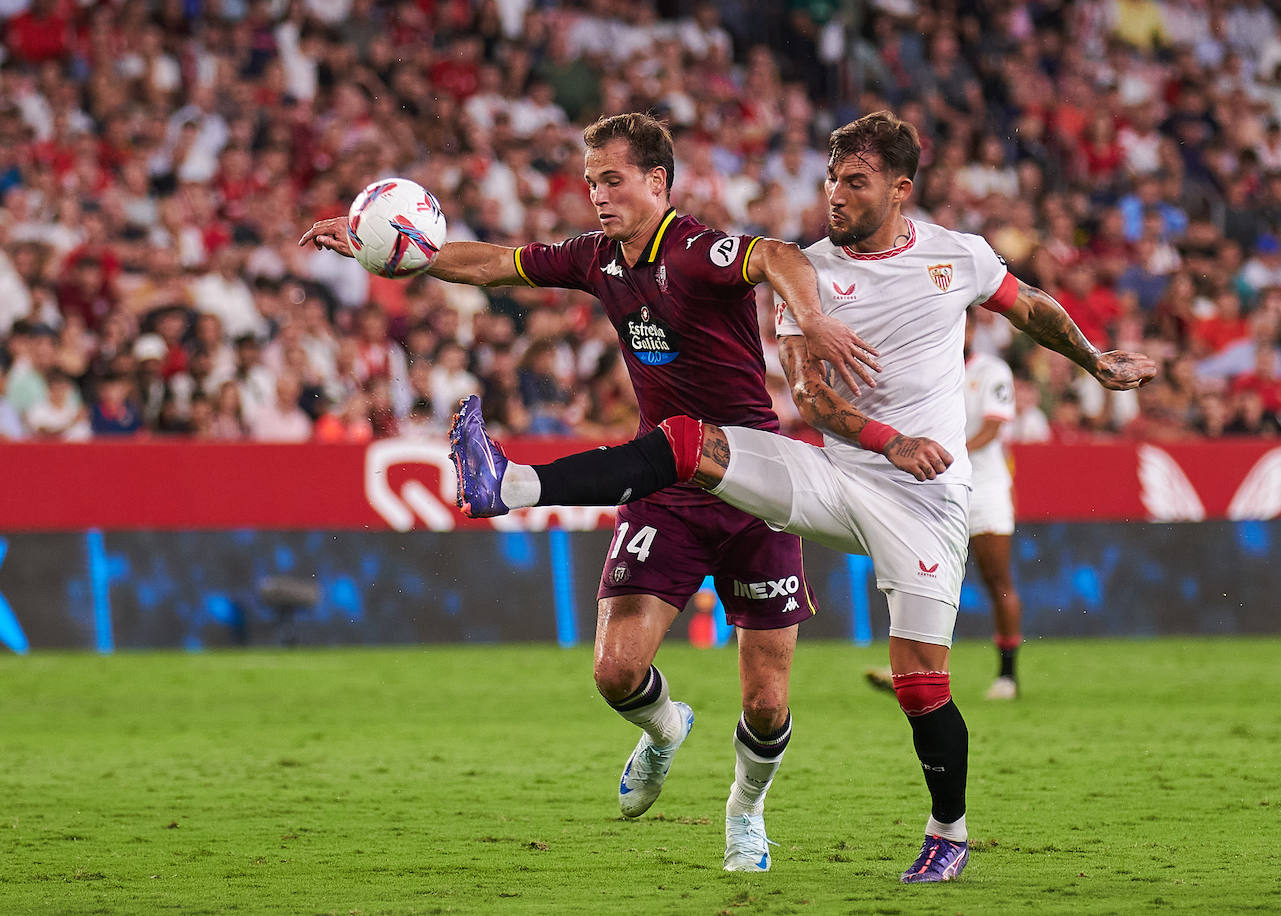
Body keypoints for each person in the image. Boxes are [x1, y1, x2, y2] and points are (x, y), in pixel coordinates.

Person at [450, 111, 1156, 884]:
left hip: (927, 498)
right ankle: (513, 484)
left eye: (855, 182)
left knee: (919, 682)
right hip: (841, 468)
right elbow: (813, 405)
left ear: (899, 188)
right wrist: (882, 431)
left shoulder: (961, 257)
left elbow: (1030, 308)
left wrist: (1092, 360)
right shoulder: (810, 271)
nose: (836, 196)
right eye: (831, 181)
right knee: (690, 442)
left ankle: (947, 831)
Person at [300, 112, 879, 873]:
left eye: (613, 180)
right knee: (614, 673)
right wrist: (397, 250)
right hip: (662, 484)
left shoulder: (699, 250)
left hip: (752, 483)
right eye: (591, 183)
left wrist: (811, 316)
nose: (599, 196)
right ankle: (667, 728)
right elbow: (489, 265)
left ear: (656, 182)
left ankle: (746, 813)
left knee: (767, 698)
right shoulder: (595, 259)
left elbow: (775, 256)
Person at [867, 309, 1025, 699]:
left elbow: (992, 427)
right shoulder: (927, 368)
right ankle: (908, 668)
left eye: (963, 322)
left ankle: (1007, 676)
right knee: (918, 578)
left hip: (983, 488)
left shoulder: (990, 371)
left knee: (996, 579)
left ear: (970, 327)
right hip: (934, 487)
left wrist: (949, 454)